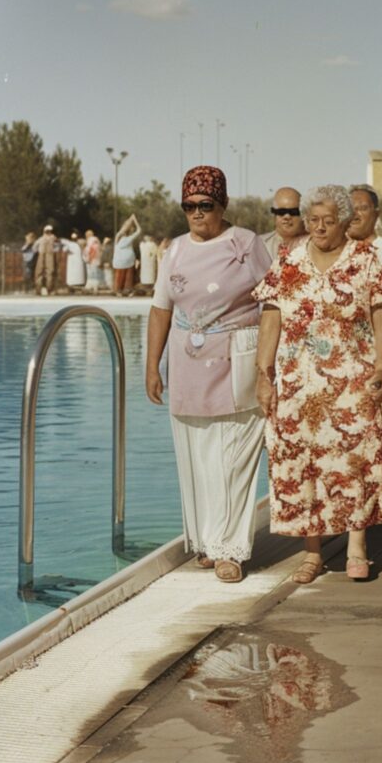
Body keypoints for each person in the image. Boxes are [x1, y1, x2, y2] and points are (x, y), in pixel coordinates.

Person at [254, 184, 382, 585]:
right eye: (313, 221)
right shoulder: (287, 261)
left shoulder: (367, 260)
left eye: (328, 221)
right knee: (300, 466)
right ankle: (311, 553)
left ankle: (357, 546)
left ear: (345, 222)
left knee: (354, 462)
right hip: (296, 385)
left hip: (351, 383)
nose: (319, 228)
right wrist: (263, 374)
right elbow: (271, 317)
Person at [145, 166, 272, 583]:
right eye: (189, 206)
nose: (197, 213)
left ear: (223, 205)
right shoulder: (175, 250)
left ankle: (231, 549)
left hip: (237, 360)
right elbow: (162, 308)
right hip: (187, 366)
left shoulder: (246, 243)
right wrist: (152, 366)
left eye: (206, 205)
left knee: (233, 459)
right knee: (198, 458)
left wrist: (269, 363)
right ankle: (207, 541)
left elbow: (275, 302)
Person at [348, 184, 382, 268]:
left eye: (363, 208)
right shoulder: (333, 256)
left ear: (376, 214)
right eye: (350, 209)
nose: (355, 216)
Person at [263, 186, 306, 259]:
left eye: (293, 212)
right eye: (281, 212)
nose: (287, 217)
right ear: (274, 214)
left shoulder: (316, 244)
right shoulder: (260, 245)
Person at [113, 215, 141, 295]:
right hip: (128, 262)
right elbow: (139, 230)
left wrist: (129, 220)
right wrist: (134, 219)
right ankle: (127, 290)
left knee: (120, 278)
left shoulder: (117, 239)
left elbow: (122, 230)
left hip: (119, 262)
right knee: (128, 278)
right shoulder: (129, 239)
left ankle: (119, 291)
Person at [34, 225, 59, 295]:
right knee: (49, 272)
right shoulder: (53, 238)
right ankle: (48, 289)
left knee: (41, 272)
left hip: (42, 254)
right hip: (48, 255)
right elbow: (57, 247)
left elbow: (34, 248)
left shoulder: (41, 239)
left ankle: (40, 289)